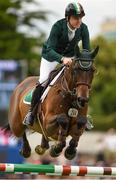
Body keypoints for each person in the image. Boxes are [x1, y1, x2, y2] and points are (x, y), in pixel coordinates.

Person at [23, 1, 93, 130]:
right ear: (68, 18)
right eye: (76, 18)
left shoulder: (83, 28)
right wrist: (62, 59)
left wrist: (85, 62)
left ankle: (84, 115)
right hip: (51, 57)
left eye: (81, 18)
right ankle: (31, 113)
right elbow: (49, 49)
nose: (79, 21)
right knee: (43, 81)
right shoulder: (57, 26)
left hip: (71, 57)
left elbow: (86, 50)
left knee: (81, 82)